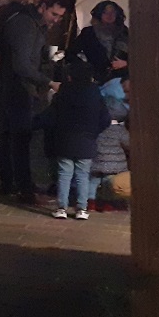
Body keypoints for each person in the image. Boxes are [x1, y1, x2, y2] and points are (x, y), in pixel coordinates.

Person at [0, 0, 69, 204]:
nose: (56, 20)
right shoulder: (25, 25)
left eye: (60, 17)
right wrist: (48, 82)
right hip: (18, 88)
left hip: (16, 87)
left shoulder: (34, 25)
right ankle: (23, 188)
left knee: (10, 136)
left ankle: (10, 184)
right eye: (54, 14)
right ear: (42, 7)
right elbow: (22, 65)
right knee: (19, 137)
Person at [39, 55, 111, 219]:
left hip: (65, 140)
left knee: (64, 174)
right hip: (87, 141)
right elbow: (105, 118)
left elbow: (52, 115)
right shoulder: (95, 93)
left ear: (70, 76)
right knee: (82, 176)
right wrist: (93, 132)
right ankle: (82, 209)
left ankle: (62, 208)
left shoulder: (64, 92)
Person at [88, 78, 131, 212]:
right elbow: (128, 143)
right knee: (108, 184)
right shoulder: (119, 130)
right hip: (114, 164)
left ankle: (90, 201)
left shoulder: (97, 128)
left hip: (97, 161)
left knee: (93, 182)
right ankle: (107, 203)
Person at [69, 0, 129, 83]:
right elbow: (70, 53)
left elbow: (140, 57)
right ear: (99, 14)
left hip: (121, 82)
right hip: (95, 80)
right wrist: (85, 68)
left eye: (113, 12)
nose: (109, 15)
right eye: (105, 12)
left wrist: (126, 63)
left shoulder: (125, 33)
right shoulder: (89, 33)